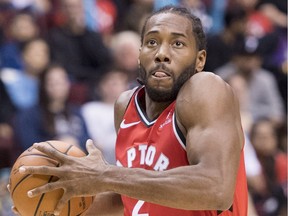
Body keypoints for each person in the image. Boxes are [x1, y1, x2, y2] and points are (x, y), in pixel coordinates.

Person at [9, 5, 248, 216]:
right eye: (152, 42)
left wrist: (105, 176)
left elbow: (216, 188)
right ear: (139, 54)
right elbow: (129, 195)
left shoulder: (206, 89)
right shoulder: (126, 106)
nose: (162, 54)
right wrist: (48, 201)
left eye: (177, 43)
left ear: (200, 60)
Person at [13, 63, 90, 152]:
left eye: (62, 81)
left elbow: (87, 140)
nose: (58, 86)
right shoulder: (29, 115)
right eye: (52, 82)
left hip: (77, 160)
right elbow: (28, 145)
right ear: (43, 85)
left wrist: (75, 144)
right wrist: (58, 144)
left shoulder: (76, 111)